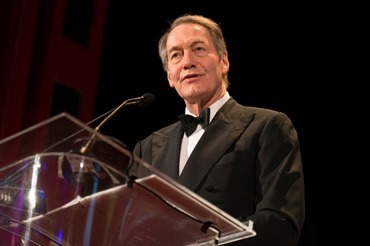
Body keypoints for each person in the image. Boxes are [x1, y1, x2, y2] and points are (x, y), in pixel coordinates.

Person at [130, 14, 305, 245]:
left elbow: (278, 221)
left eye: (199, 49)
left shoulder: (267, 126)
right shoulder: (147, 149)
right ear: (170, 76)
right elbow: (129, 229)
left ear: (224, 61)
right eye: (176, 55)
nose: (187, 61)